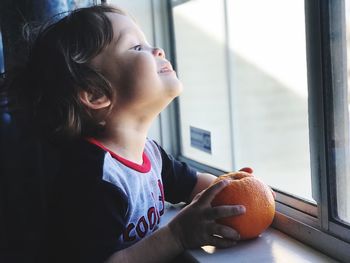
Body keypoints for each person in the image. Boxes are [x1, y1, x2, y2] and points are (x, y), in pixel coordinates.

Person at [11, 4, 251, 263]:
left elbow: (194, 185)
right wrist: (177, 236)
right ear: (95, 94)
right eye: (137, 47)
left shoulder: (150, 153)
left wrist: (238, 189)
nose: (157, 50)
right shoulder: (91, 177)